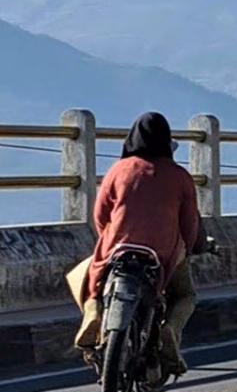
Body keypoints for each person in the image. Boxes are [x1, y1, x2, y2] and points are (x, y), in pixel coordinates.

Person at [69, 112, 201, 377]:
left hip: (118, 247)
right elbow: (189, 224)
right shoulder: (180, 176)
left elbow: (100, 216)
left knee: (91, 283)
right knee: (185, 294)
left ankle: (92, 315)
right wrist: (187, 248)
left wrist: (110, 237)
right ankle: (170, 330)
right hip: (162, 251)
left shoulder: (118, 170)